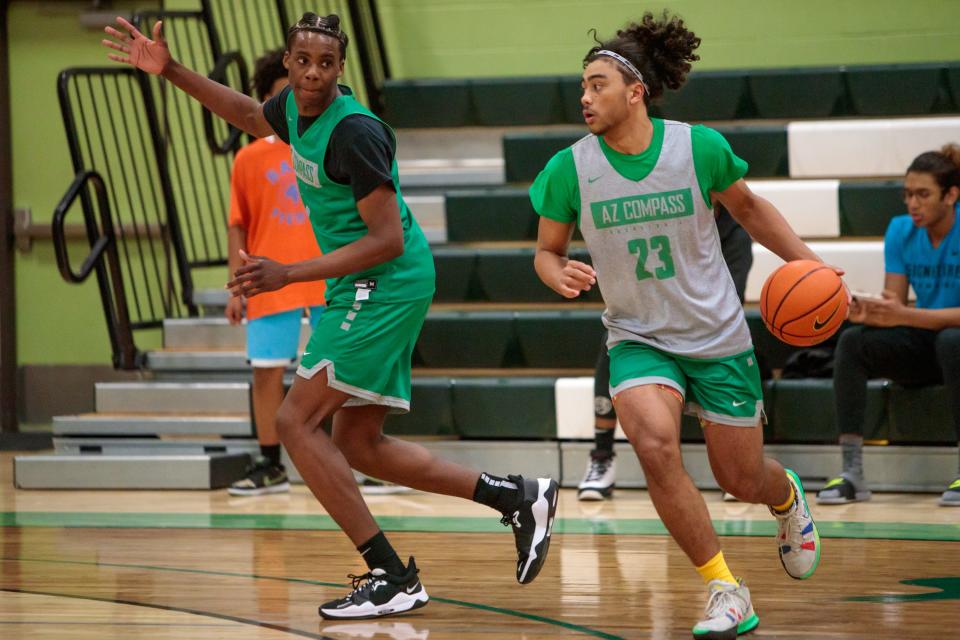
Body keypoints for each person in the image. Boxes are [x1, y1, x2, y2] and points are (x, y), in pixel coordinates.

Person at [102, 12, 559, 620]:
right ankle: (515, 497)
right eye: (303, 61)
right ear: (287, 64)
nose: (313, 73)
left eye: (325, 63)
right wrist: (170, 70)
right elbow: (244, 114)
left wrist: (287, 273)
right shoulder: (290, 107)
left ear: (340, 69)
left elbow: (388, 238)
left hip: (386, 280)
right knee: (358, 443)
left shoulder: (356, 133)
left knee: (295, 422)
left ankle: (390, 574)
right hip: (357, 282)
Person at [530, 13, 830, 638]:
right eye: (582, 86)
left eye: (597, 84)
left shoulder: (697, 148)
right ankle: (725, 587)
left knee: (741, 479)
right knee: (655, 445)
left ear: (635, 91)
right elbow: (547, 250)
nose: (584, 97)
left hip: (716, 335)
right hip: (638, 337)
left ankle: (786, 497)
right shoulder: (569, 168)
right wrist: (553, 270)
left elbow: (750, 211)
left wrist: (814, 268)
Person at [816, 145, 960, 508]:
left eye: (923, 194)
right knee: (853, 342)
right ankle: (852, 473)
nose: (913, 203)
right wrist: (871, 312)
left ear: (951, 195)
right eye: (908, 194)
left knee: (952, 341)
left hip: (952, 343)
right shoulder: (900, 230)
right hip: (930, 341)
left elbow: (910, 316)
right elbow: (895, 302)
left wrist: (903, 316)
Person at [579, 204, 752, 501]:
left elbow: (732, 296)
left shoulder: (735, 235)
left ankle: (734, 470)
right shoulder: (669, 218)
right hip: (655, 323)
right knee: (612, 344)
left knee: (745, 355)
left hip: (710, 329)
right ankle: (602, 455)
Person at [225, 49, 327, 497]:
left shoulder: (331, 140)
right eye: (283, 93)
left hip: (325, 274)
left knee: (338, 369)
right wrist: (236, 285)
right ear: (266, 102)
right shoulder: (248, 158)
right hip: (268, 275)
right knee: (267, 371)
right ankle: (270, 464)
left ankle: (350, 457)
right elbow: (238, 224)